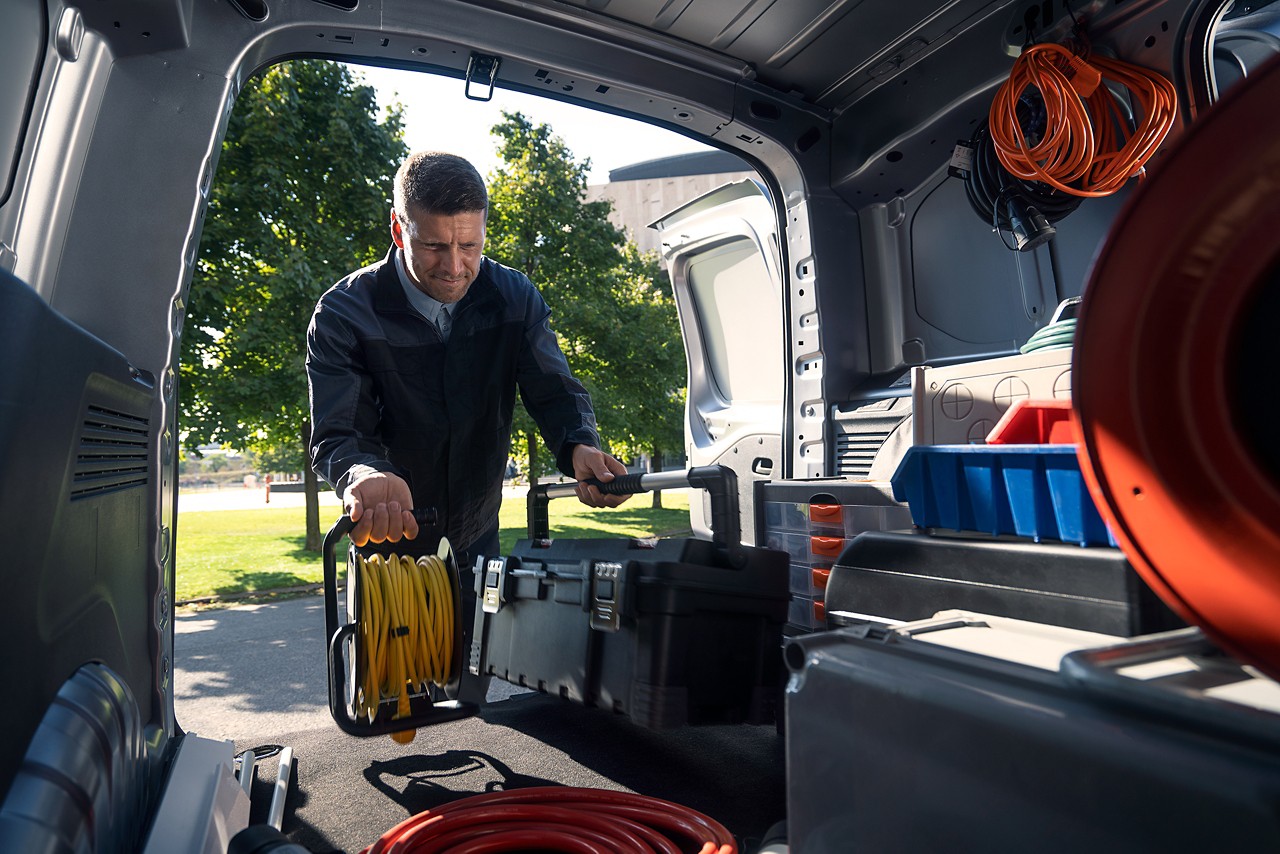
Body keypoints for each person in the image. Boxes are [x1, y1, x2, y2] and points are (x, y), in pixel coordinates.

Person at [305, 150, 628, 581]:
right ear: (399, 230)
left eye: (469, 245)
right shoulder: (343, 314)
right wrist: (365, 472)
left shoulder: (515, 296)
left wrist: (579, 446)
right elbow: (338, 433)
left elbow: (555, 392)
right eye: (435, 246)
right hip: (388, 554)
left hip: (480, 542)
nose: (455, 267)